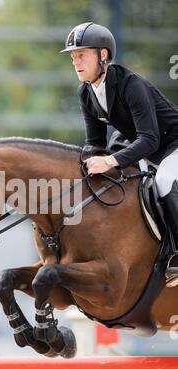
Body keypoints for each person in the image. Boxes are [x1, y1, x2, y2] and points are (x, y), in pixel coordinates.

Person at [61, 22, 178, 286]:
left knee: (163, 180)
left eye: (81, 55)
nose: (76, 62)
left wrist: (111, 160)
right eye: (73, 57)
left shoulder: (130, 84)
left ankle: (176, 254)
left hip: (171, 143)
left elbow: (149, 138)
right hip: (146, 146)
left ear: (103, 55)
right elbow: (95, 142)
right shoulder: (86, 92)